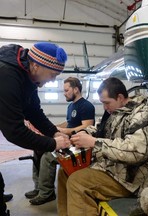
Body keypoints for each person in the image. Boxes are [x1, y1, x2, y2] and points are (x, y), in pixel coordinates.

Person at [57, 77, 148, 215]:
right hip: (113, 166)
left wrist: (93, 142)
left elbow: (136, 152)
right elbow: (98, 128)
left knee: (78, 182)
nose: (105, 107)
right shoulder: (114, 112)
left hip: (133, 177)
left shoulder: (145, 114)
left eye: (106, 103)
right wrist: (79, 136)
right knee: (64, 172)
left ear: (120, 97)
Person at [0, 42, 71, 216]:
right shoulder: (6, 76)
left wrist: (54, 132)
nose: (53, 80)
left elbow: (34, 112)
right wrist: (53, 143)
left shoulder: (29, 78)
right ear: (36, 65)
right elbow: (14, 132)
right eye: (53, 75)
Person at [25, 77, 95, 205]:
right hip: (68, 140)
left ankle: (47, 193)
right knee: (38, 150)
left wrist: (65, 131)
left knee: (48, 156)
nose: (64, 93)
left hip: (78, 144)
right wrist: (53, 128)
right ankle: (39, 188)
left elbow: (87, 126)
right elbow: (68, 123)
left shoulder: (86, 106)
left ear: (76, 89)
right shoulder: (71, 106)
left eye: (66, 90)